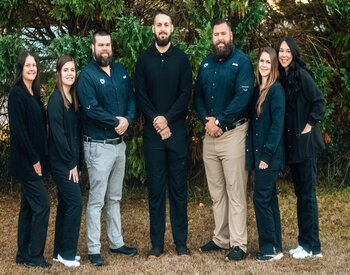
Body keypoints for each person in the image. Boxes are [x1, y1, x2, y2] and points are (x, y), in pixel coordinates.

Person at [194, 19, 254, 261]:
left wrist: (218, 121)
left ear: (231, 36)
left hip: (234, 134)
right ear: (212, 38)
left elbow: (243, 97)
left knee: (235, 191)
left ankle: (239, 243)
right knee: (217, 191)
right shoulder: (206, 64)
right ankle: (221, 238)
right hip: (211, 135)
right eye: (216, 34)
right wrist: (207, 121)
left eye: (223, 34)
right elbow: (197, 96)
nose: (219, 38)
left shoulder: (242, 62)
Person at [134, 9, 192, 258]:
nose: (162, 29)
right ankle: (156, 244)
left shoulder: (182, 59)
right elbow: (141, 94)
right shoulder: (144, 59)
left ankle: (181, 243)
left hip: (177, 133)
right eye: (158, 25)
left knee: (179, 190)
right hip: (153, 137)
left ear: (172, 28)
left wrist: (166, 119)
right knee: (156, 190)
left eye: (166, 24)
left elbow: (185, 94)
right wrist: (157, 121)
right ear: (153, 29)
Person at [77, 30, 137, 266]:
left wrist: (128, 120)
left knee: (114, 198)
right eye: (100, 45)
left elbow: (132, 98)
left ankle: (116, 242)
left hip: (118, 146)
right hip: (98, 147)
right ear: (93, 48)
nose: (105, 49)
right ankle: (93, 249)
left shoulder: (120, 71)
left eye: (108, 45)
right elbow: (90, 110)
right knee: (97, 200)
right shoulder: (87, 76)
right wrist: (116, 122)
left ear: (112, 47)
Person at [278, 36, 325, 259]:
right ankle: (303, 242)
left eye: (288, 51)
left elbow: (319, 101)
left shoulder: (303, 75)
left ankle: (313, 247)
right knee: (301, 195)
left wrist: (309, 125)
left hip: (306, 145)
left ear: (294, 53)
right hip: (294, 147)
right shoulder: (285, 78)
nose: (284, 54)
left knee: (308, 196)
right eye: (281, 51)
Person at [8, 51, 51, 268]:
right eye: (28, 66)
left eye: (34, 65)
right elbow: (19, 132)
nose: (32, 69)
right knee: (42, 206)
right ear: (21, 69)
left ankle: (22, 254)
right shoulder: (16, 94)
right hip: (26, 162)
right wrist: (35, 160)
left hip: (35, 159)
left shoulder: (34, 94)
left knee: (27, 207)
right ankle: (35, 257)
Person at [246, 47, 285, 261]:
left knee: (260, 199)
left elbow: (277, 127)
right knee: (269, 200)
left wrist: (266, 156)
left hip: (269, 157)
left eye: (268, 62)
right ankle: (276, 246)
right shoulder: (257, 90)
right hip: (259, 155)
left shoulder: (276, 90)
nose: (264, 65)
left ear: (274, 66)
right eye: (261, 61)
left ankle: (269, 248)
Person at [48, 56, 82, 267]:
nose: (70, 73)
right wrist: (71, 163)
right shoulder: (56, 100)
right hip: (61, 163)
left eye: (72, 70)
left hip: (70, 162)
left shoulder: (72, 98)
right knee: (75, 203)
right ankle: (67, 254)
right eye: (66, 70)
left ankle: (58, 251)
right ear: (59, 73)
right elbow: (58, 136)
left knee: (65, 204)